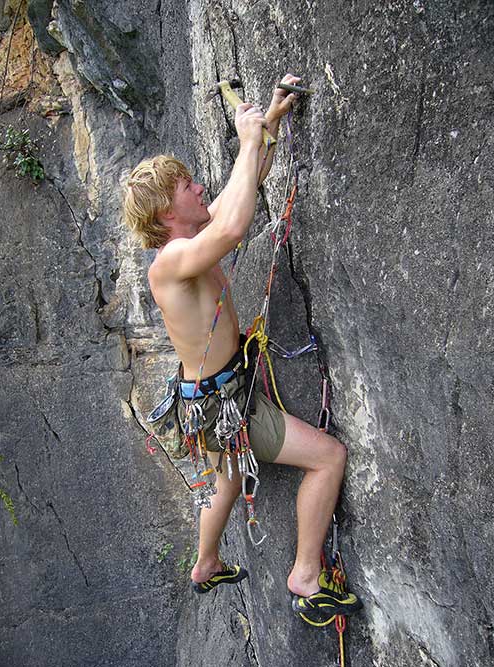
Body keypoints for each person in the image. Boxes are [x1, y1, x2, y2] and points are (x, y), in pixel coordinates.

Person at [123, 73, 361, 618]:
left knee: (225, 482)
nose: (199, 187)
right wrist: (247, 137)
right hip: (228, 406)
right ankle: (305, 575)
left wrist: (269, 121)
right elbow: (233, 227)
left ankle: (205, 564)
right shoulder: (170, 265)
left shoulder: (193, 241)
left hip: (207, 400)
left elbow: (242, 192)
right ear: (166, 213)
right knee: (329, 458)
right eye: (187, 187)